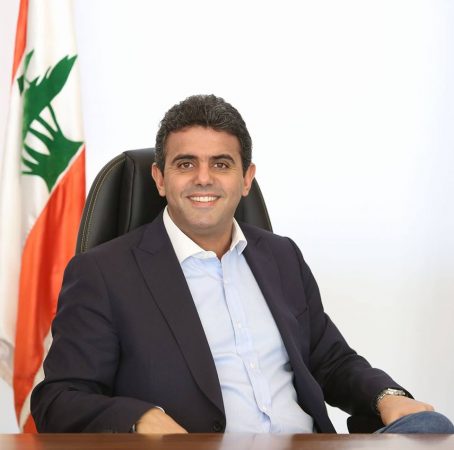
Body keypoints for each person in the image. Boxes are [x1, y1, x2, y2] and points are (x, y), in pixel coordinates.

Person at [31, 95, 453, 434]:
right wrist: (139, 419)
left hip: (307, 444)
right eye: (185, 164)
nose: (203, 178)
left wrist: (386, 397)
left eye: (221, 164)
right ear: (159, 179)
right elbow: (60, 399)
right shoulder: (104, 273)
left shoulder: (281, 256)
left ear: (246, 178)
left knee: (430, 428)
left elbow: (331, 361)